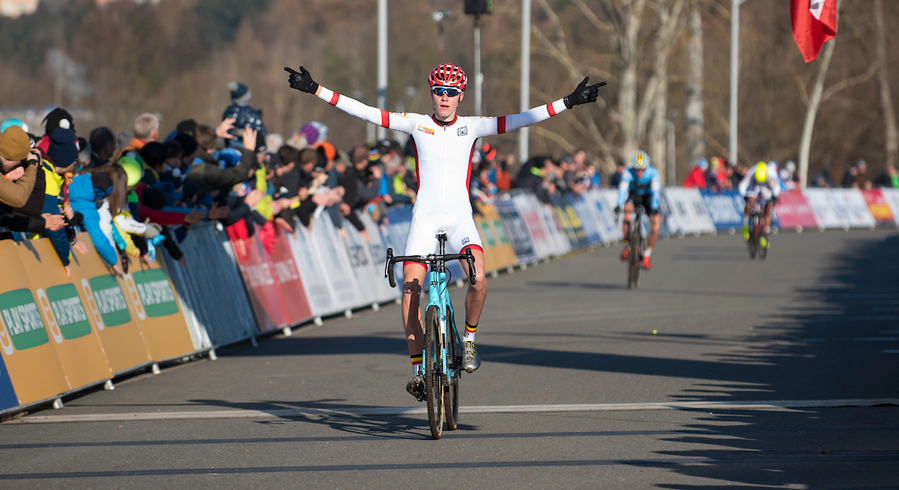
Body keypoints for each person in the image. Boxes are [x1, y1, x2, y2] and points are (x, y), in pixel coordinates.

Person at [286, 62, 605, 400]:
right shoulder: (417, 124)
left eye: (451, 92)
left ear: (460, 96)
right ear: (432, 93)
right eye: (439, 91)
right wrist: (315, 88)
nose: (444, 97)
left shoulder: (473, 127)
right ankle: (418, 372)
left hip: (459, 220)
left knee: (478, 278)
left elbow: (522, 119)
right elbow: (366, 113)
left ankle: (467, 341)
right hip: (424, 219)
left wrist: (568, 102)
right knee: (410, 292)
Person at [615, 150, 661, 270]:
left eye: (642, 169)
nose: (639, 172)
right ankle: (626, 247)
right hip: (634, 196)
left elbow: (656, 192)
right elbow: (623, 189)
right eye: (637, 169)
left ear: (647, 167)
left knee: (655, 226)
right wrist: (619, 204)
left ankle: (646, 255)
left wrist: (654, 207)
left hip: (649, 197)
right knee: (626, 216)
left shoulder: (653, 173)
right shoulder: (627, 173)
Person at [738, 161, 781, 249]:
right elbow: (742, 185)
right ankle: (745, 224)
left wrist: (775, 196)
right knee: (749, 203)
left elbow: (777, 187)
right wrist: (745, 195)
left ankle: (765, 232)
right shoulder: (752, 171)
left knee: (769, 207)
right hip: (754, 186)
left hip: (766, 188)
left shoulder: (772, 173)